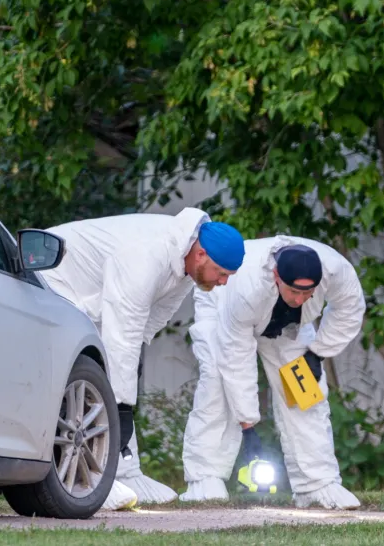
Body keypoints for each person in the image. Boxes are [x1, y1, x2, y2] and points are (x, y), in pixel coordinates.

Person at [39, 207, 246, 510]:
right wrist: (121, 406)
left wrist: (127, 380)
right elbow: (122, 333)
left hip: (97, 300)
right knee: (89, 378)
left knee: (117, 373)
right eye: (222, 273)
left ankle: (126, 473)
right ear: (201, 254)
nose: (223, 282)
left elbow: (150, 321)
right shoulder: (147, 255)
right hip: (55, 281)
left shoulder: (186, 268)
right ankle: (94, 479)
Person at [178, 235, 366, 509]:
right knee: (218, 382)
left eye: (308, 293)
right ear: (277, 275)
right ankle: (205, 479)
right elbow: (236, 357)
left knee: (306, 396)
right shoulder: (246, 286)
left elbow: (350, 309)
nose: (300, 299)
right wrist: (248, 427)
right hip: (222, 306)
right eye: (294, 291)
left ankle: (317, 484)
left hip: (289, 328)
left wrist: (318, 351)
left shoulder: (336, 271)